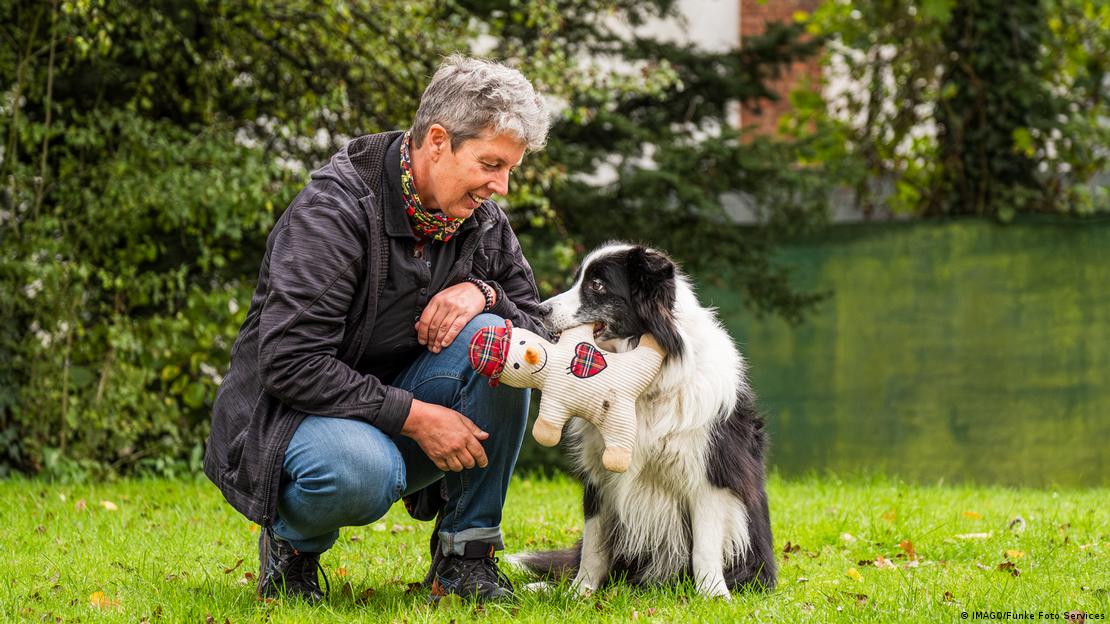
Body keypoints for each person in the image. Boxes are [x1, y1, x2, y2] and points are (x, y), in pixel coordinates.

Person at [203, 55, 550, 603]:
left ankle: (467, 560)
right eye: (490, 164)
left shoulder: (480, 221)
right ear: (437, 141)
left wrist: (485, 294)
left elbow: (539, 335)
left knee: (503, 343)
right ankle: (292, 550)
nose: (501, 186)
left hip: (396, 409)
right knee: (363, 468)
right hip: (295, 420)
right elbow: (290, 362)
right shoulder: (334, 210)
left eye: (510, 169)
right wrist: (415, 417)